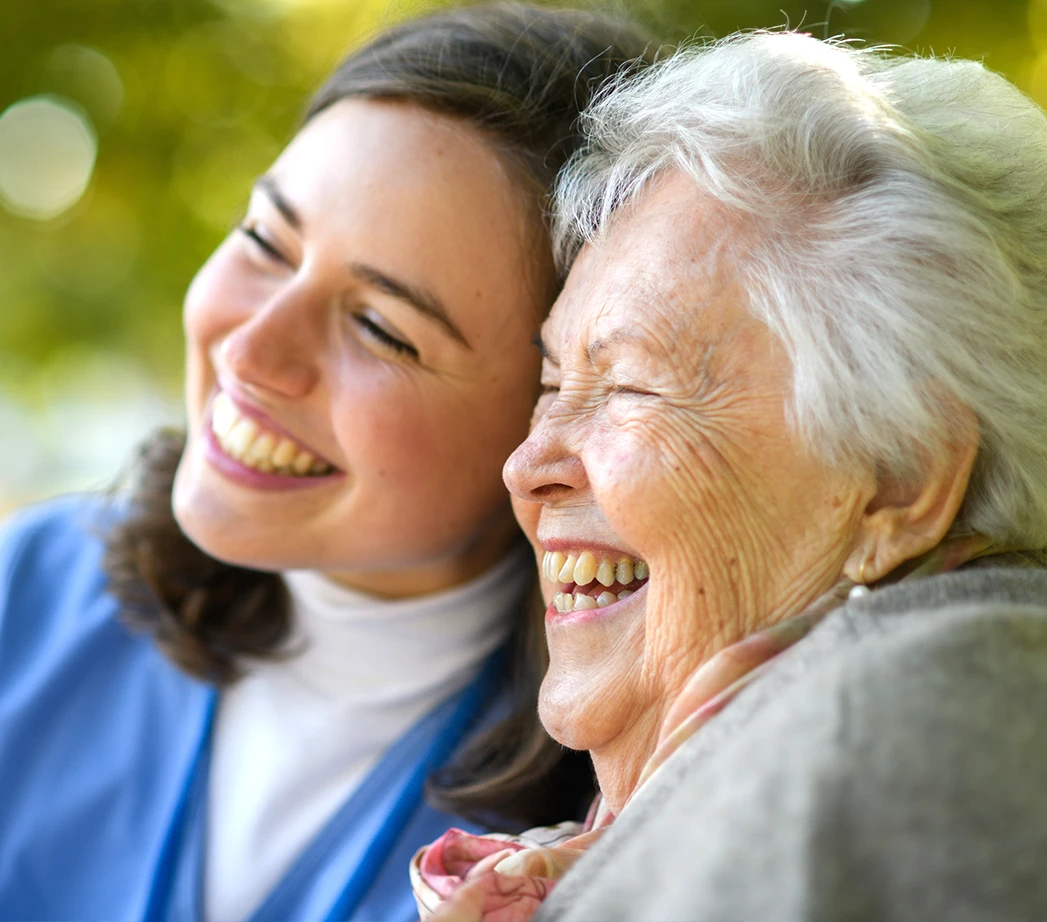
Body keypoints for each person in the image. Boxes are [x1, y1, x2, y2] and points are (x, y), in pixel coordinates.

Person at [0, 6, 655, 920]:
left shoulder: (610, 830)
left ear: (549, 418)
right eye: (267, 241)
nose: (253, 350)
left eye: (382, 328)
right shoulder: (26, 599)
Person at [411, 32, 1047, 921]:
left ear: (898, 480)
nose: (527, 468)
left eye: (628, 385)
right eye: (551, 384)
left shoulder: (913, 727)